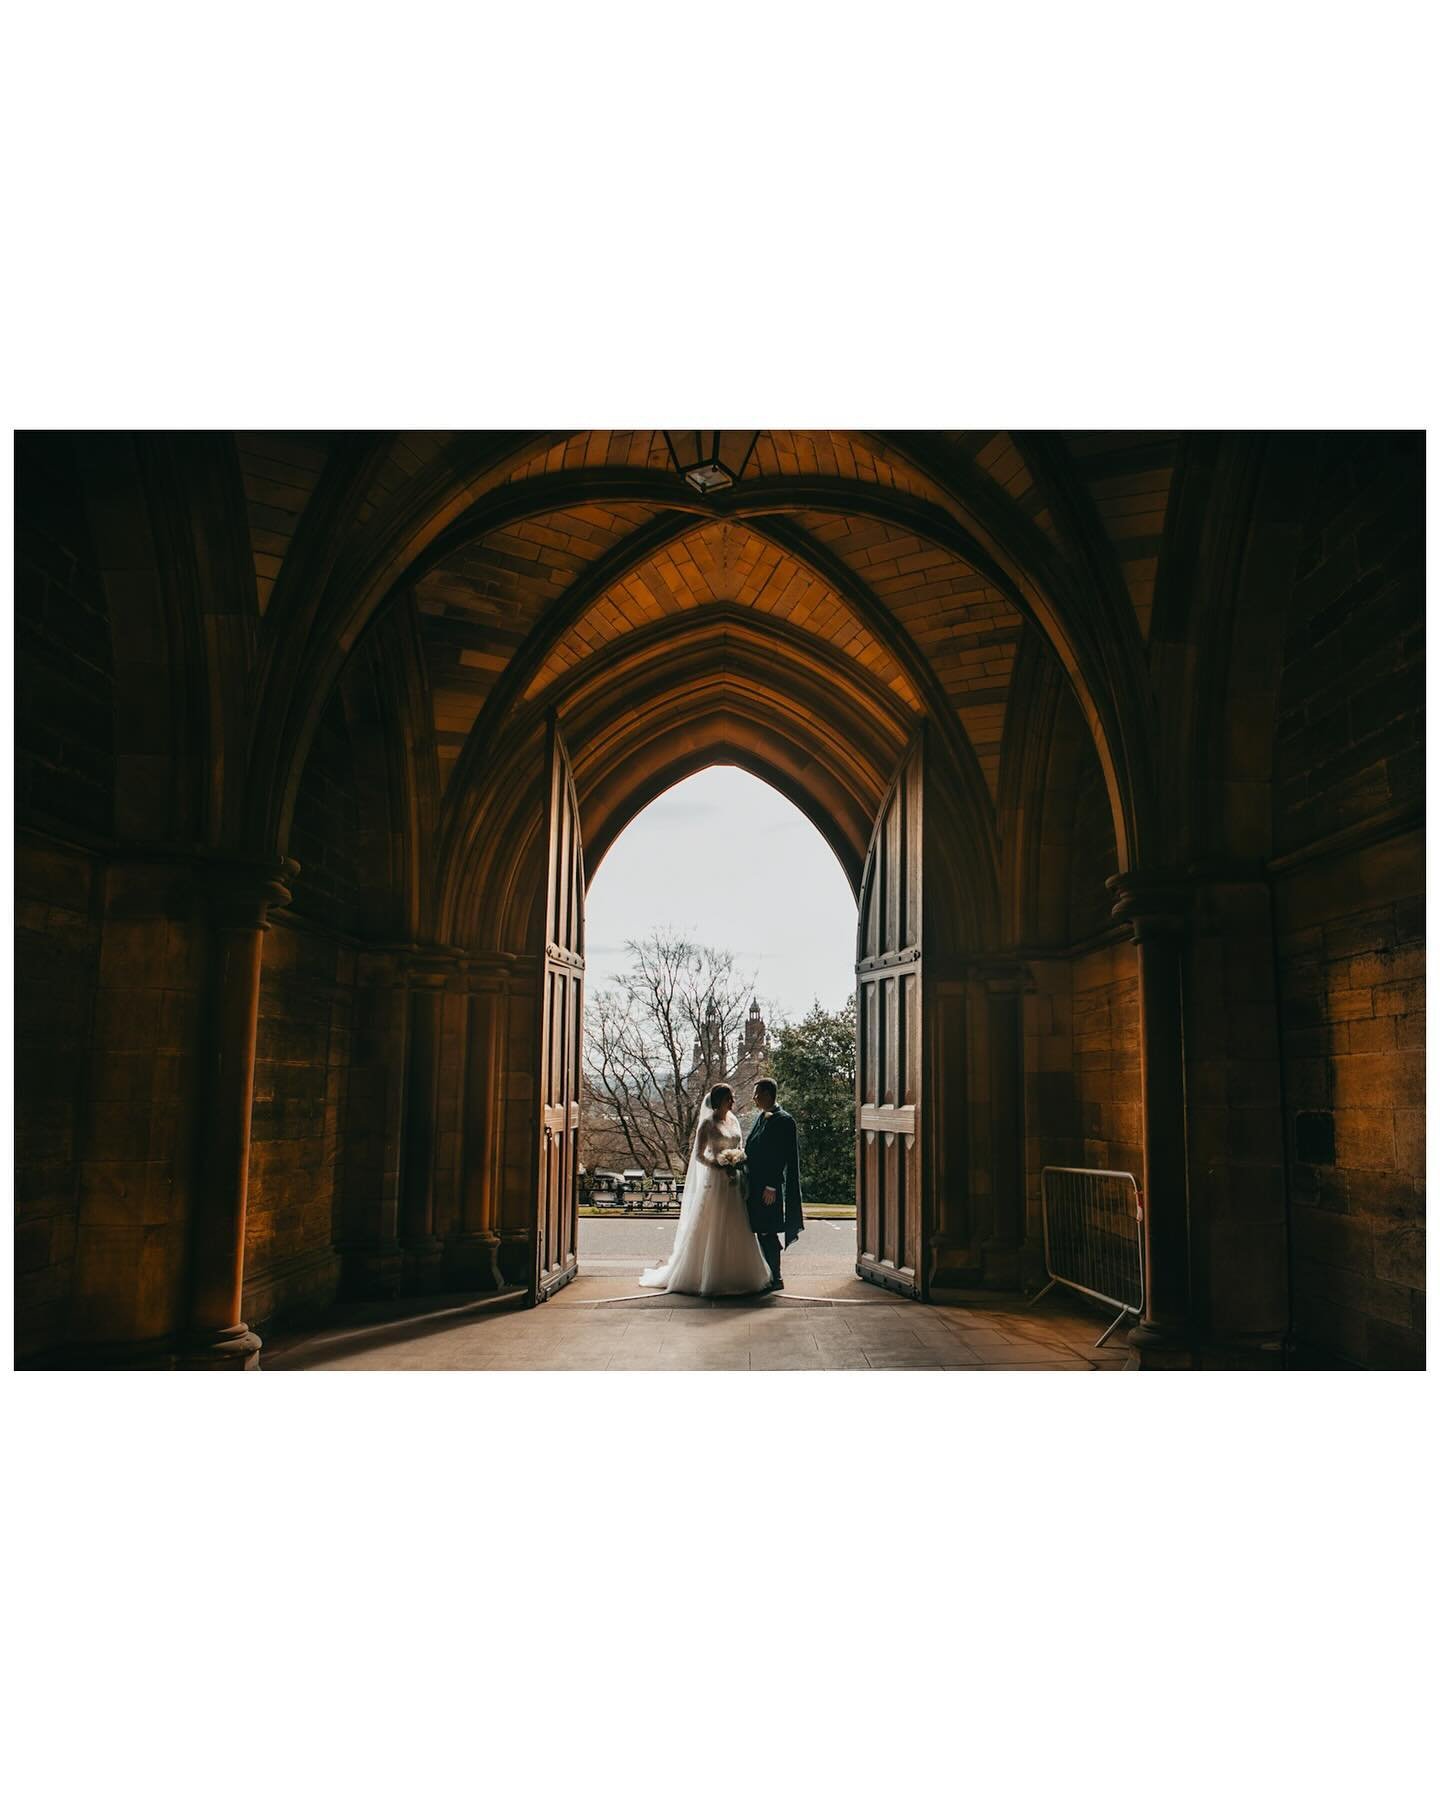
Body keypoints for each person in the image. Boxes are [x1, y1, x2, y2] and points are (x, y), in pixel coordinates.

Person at [638, 1083, 773, 1297]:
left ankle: (738, 1273)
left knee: (737, 1224)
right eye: (729, 1097)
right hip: (716, 1181)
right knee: (714, 1225)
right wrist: (719, 1164)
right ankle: (709, 1275)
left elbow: (740, 1147)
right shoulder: (707, 1125)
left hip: (734, 1181)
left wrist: (737, 1160)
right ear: (719, 1100)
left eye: (733, 1097)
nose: (733, 1101)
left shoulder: (734, 1120)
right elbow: (699, 1156)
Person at [744, 1078, 805, 1290]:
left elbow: (780, 1156)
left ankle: (776, 1278)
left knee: (768, 1231)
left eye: (757, 1094)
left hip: (768, 1189)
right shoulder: (763, 1117)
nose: (754, 1098)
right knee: (762, 1230)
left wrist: (771, 1186)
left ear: (768, 1094)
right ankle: (770, 1274)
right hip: (756, 1185)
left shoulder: (784, 1120)